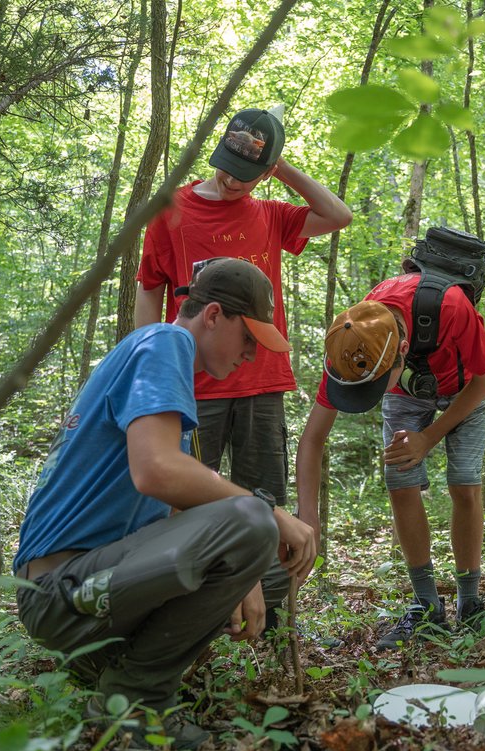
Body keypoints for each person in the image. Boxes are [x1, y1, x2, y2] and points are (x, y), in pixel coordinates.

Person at [14, 258, 317, 749]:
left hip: (102, 582)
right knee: (254, 519)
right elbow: (154, 471)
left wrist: (246, 569)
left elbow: (177, 510)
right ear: (214, 315)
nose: (250, 356)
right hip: (60, 589)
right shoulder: (163, 342)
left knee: (273, 568)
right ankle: (135, 704)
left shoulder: (166, 372)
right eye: (248, 339)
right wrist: (271, 514)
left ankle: (115, 665)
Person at [134, 105, 350, 620]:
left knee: (265, 501)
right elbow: (149, 290)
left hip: (261, 382)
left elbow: (338, 215)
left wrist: (280, 168)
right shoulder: (172, 210)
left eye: (247, 173)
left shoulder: (270, 214)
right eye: (228, 167)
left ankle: (273, 621)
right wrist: (150, 363)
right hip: (192, 382)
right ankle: (187, 617)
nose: (233, 181)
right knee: (187, 502)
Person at [295, 267, 485, 650]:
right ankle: (427, 605)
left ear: (401, 352)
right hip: (406, 390)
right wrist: (308, 520)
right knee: (400, 482)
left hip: (467, 385)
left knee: (464, 481)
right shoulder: (352, 339)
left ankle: (469, 600)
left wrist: (428, 438)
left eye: (373, 386)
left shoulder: (452, 306)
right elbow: (312, 439)